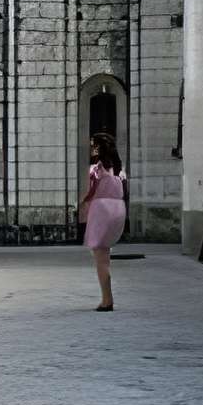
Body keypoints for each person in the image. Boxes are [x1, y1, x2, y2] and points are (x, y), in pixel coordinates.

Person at [80, 131, 127, 310]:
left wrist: (83, 202)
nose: (91, 148)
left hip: (102, 210)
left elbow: (91, 191)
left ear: (98, 147)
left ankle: (107, 300)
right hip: (117, 208)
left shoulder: (98, 168)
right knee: (104, 257)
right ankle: (108, 298)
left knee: (100, 259)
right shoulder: (117, 168)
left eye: (93, 145)